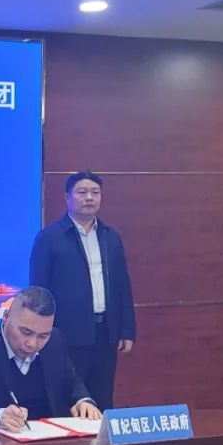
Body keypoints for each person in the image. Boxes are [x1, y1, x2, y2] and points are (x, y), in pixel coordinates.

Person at [29, 171, 135, 409]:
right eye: (82, 192)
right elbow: (38, 289)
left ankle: (101, 435)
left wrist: (126, 329)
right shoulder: (50, 238)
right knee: (68, 400)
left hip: (105, 333)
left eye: (95, 192)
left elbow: (122, 285)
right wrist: (41, 333)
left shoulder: (111, 237)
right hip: (66, 335)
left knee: (103, 400)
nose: (89, 198)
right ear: (67, 197)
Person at [0, 286, 101, 431]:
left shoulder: (55, 341)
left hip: (51, 439)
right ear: (6, 317)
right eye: (26, 332)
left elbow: (71, 382)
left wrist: (83, 401)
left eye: (43, 336)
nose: (32, 344)